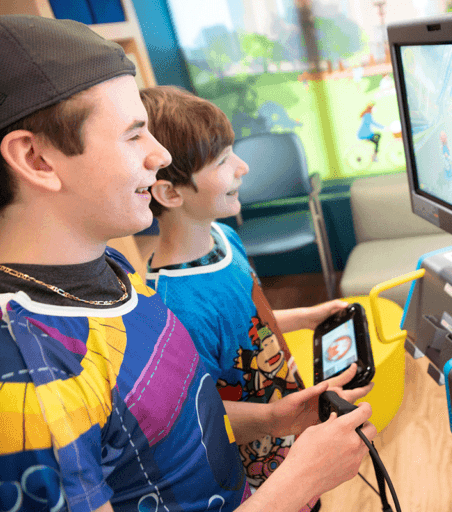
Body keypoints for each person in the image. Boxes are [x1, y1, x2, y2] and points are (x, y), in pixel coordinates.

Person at [0, 15, 375, 512]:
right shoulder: (15, 373)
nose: (158, 156)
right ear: (36, 159)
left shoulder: (107, 267)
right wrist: (298, 483)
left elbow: (171, 425)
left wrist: (274, 421)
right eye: (134, 136)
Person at [139, 85, 374, 511]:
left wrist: (305, 316)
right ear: (171, 193)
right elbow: (204, 413)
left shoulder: (224, 237)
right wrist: (271, 420)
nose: (243, 167)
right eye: (223, 161)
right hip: (258, 466)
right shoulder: (175, 305)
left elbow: (247, 321)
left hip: (290, 422)